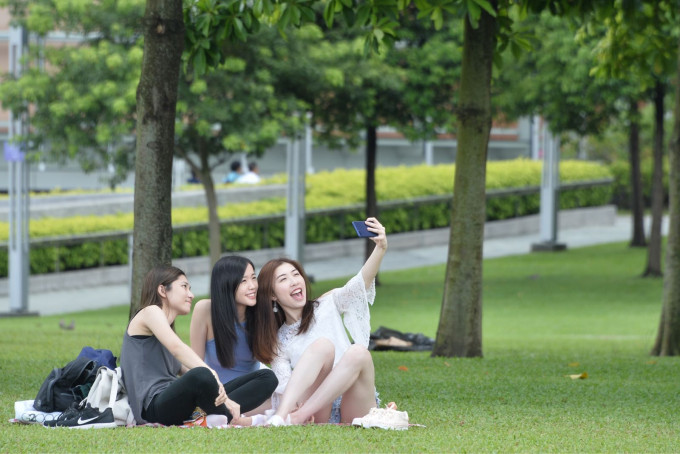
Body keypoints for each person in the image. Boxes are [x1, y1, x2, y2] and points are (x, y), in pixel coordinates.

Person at [257, 217, 387, 425]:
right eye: (283, 280)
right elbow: (285, 385)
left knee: (358, 352)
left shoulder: (328, 303)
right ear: (272, 295)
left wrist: (380, 248)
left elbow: (359, 284)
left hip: (352, 401)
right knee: (323, 346)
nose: (294, 281)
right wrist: (294, 407)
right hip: (315, 411)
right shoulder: (279, 341)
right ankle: (286, 416)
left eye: (296, 274)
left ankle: (292, 419)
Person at [120, 266, 256, 427]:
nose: (191, 295)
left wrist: (222, 393)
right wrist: (211, 374)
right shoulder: (150, 312)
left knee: (265, 378)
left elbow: (186, 370)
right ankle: (233, 419)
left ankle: (216, 414)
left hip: (175, 402)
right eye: (184, 287)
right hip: (153, 407)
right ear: (163, 290)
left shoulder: (165, 329)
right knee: (202, 375)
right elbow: (177, 349)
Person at [190, 256, 278, 420]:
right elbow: (195, 365)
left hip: (249, 395)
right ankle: (215, 414)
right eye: (243, 281)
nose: (252, 286)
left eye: (253, 278)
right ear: (226, 284)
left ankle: (216, 416)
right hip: (214, 392)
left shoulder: (262, 312)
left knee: (270, 380)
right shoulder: (205, 310)